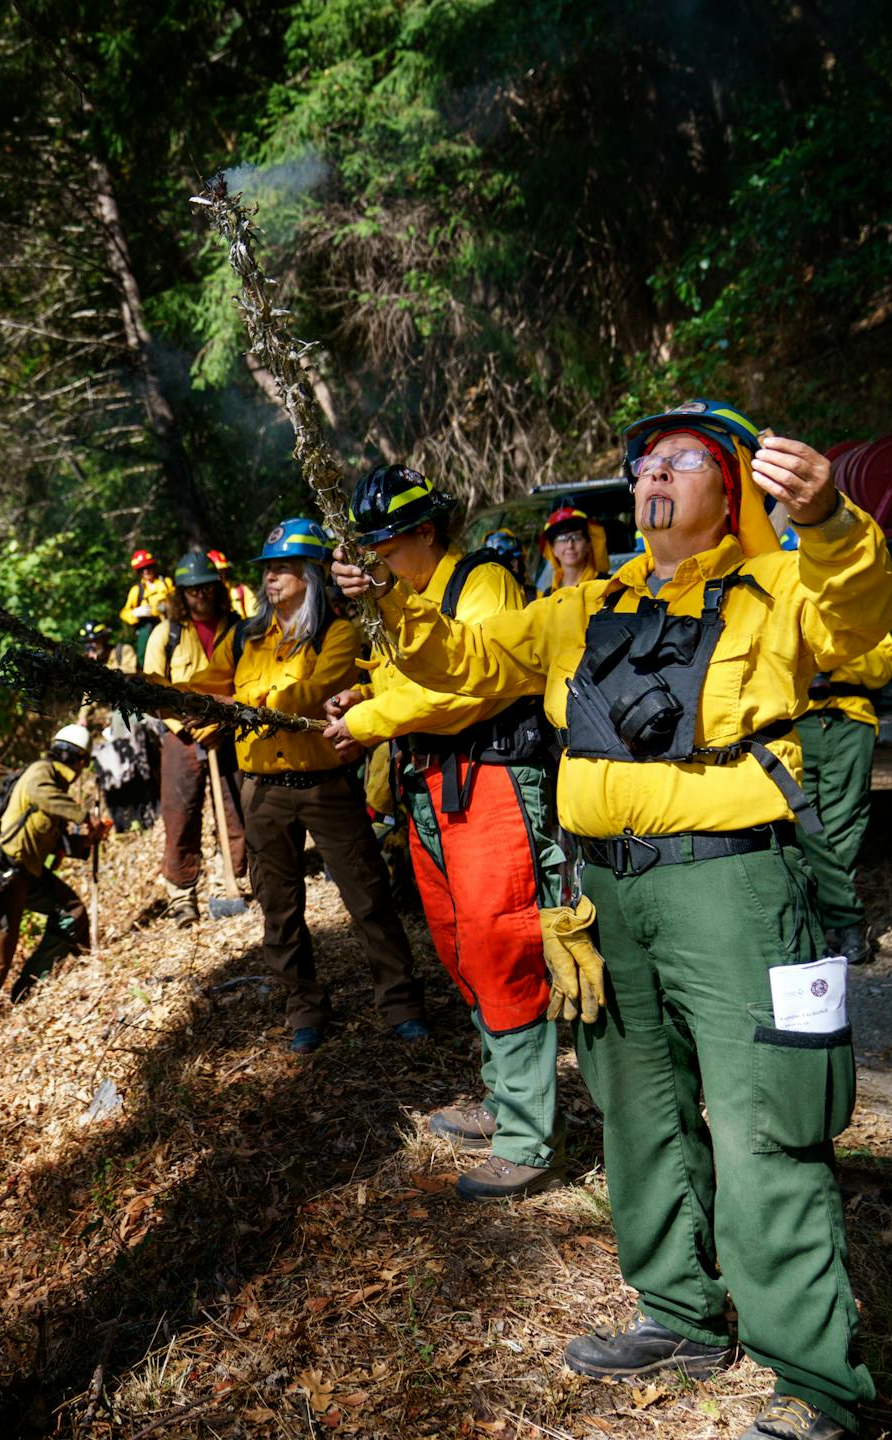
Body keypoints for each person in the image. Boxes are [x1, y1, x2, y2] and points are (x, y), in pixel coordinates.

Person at [331, 399, 892, 1440]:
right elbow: (465, 666)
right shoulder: (581, 605)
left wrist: (829, 522)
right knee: (638, 1119)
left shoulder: (780, 586)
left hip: (735, 892)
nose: (653, 474)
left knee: (765, 1124)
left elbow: (861, 620)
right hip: (605, 898)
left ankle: (816, 1385)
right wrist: (396, 613)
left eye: (681, 459)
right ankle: (679, 1313)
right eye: (641, 460)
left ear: (730, 484)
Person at [324, 465, 566, 1200]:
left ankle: (529, 1137)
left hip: (488, 776)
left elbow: (472, 686)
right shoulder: (405, 601)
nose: (376, 563)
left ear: (426, 530)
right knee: (462, 948)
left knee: (503, 946)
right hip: (429, 785)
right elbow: (412, 686)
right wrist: (367, 693)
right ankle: (504, 1100)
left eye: (386, 546)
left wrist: (369, 720)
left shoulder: (481, 584)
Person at [173, 518, 426, 1054]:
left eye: (284, 568)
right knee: (278, 907)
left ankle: (401, 1003)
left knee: (366, 895)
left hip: (325, 786)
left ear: (310, 574)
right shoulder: (244, 637)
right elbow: (205, 688)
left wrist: (241, 706)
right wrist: (166, 697)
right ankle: (303, 1008)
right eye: (267, 569)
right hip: (261, 788)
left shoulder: (337, 632)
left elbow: (309, 694)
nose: (272, 579)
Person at [0, 723, 110, 1037]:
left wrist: (87, 838)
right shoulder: (41, 774)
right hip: (4, 873)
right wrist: (85, 817)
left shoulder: (56, 786)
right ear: (78, 760)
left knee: (72, 914)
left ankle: (27, 989)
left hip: (29, 874)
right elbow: (46, 798)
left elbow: (54, 840)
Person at [143, 549, 248, 923]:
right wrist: (185, 725)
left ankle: (229, 882)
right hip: (181, 738)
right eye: (191, 590)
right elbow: (152, 689)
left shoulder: (239, 630)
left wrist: (221, 722)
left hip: (228, 733)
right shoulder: (164, 634)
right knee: (180, 813)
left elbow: (249, 679)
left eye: (205, 587)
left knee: (236, 812)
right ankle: (182, 893)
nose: (199, 595)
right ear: (181, 595)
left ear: (216, 588)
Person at [799, 634, 892, 965]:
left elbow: (882, 667)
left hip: (851, 720)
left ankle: (830, 927)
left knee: (843, 825)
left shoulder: (856, 610)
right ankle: (844, 920)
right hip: (792, 723)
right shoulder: (780, 597)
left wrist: (834, 653)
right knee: (799, 825)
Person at [118, 547, 176, 660]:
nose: (146, 571)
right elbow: (124, 613)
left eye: (148, 567)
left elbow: (178, 601)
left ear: (153, 567)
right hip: (147, 627)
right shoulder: (137, 590)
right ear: (138, 572)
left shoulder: (166, 583)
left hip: (168, 622)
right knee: (145, 655)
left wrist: (168, 606)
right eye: (142, 569)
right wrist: (135, 613)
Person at [539, 505, 608, 592]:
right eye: (562, 539)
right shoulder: (547, 596)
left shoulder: (607, 586)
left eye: (576, 537)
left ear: (588, 545)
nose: (570, 545)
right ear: (553, 549)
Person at [209, 548, 260, 620]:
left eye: (222, 570)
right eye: (215, 571)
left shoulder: (241, 589)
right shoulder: (202, 597)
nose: (220, 574)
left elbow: (254, 617)